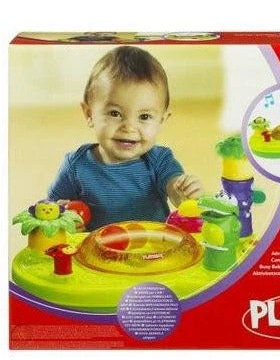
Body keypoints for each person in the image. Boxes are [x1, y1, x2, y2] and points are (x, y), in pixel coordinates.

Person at [48, 46, 203, 231]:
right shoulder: (76, 166)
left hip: (153, 245)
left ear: (162, 120)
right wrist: (63, 217)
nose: (129, 127)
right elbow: (50, 209)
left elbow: (175, 191)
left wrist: (184, 193)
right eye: (115, 113)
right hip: (98, 248)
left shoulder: (160, 160)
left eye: (144, 117)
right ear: (89, 114)